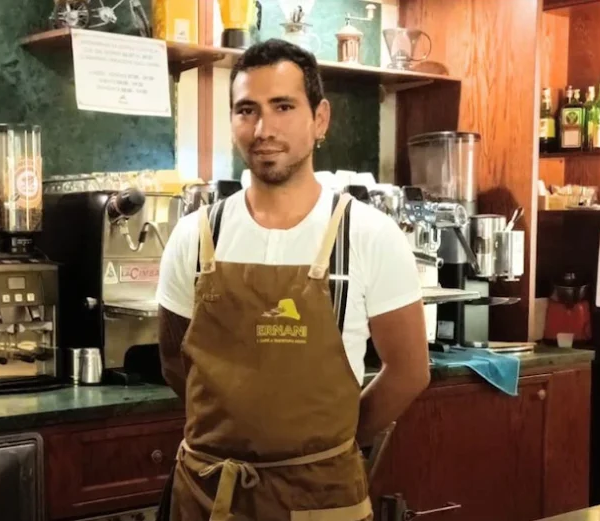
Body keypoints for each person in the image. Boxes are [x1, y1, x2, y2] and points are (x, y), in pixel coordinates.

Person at [155, 38, 430, 521]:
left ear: (319, 118)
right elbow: (177, 365)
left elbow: (409, 372)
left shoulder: (367, 235)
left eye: (283, 106)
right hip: (207, 497)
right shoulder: (194, 237)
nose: (264, 128)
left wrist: (331, 443)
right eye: (247, 110)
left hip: (322, 498)